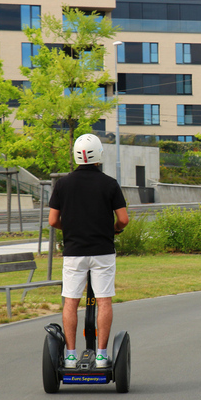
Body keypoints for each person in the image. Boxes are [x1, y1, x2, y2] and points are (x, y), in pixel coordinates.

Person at [49, 134, 129, 369]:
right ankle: (102, 356)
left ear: (76, 155)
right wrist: (113, 229)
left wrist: (72, 227)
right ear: (99, 155)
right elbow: (123, 219)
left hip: (74, 252)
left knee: (71, 302)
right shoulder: (109, 183)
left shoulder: (62, 184)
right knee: (104, 300)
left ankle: (71, 356)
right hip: (102, 251)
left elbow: (53, 220)